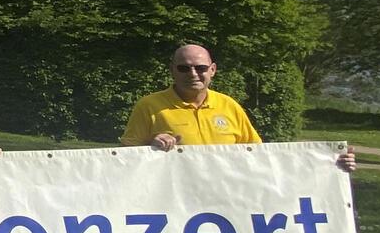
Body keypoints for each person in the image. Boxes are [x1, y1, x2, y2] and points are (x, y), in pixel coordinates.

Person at [123, 43, 354, 171]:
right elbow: (123, 161)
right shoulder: (149, 105)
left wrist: (330, 162)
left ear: (212, 70)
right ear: (172, 70)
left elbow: (258, 156)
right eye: (184, 68)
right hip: (174, 199)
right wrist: (151, 148)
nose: (193, 74)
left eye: (201, 68)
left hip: (227, 198)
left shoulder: (229, 106)